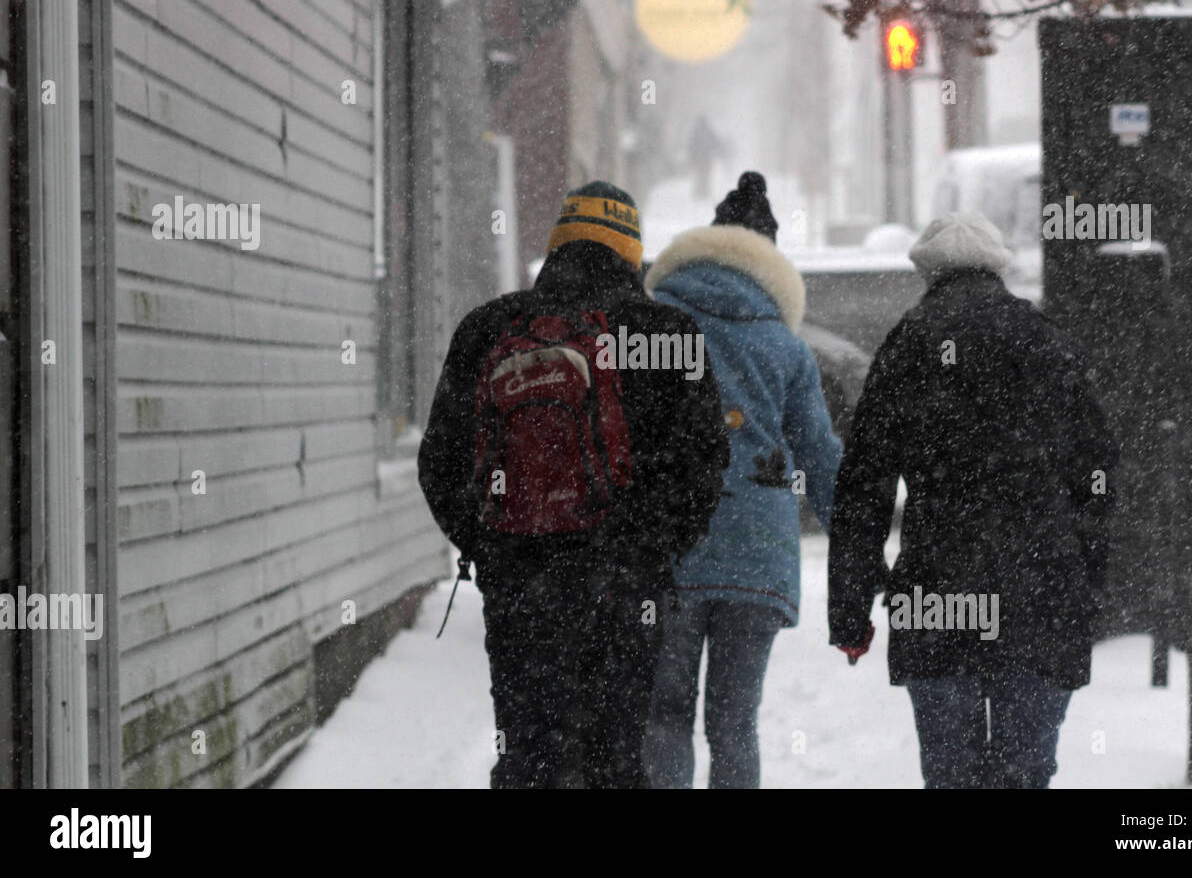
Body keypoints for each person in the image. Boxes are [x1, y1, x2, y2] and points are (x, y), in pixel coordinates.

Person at [418, 181, 729, 788]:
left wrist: (494, 547)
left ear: (557, 245)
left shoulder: (488, 328)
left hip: (520, 591)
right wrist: (651, 551)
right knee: (616, 756)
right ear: (630, 253)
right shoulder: (664, 334)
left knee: (529, 750)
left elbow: (440, 464)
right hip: (625, 590)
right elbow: (703, 467)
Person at [828, 211, 1115, 789]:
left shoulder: (907, 344)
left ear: (927, 272)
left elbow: (864, 485)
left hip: (937, 592)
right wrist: (1088, 578)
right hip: (1041, 594)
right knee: (1023, 772)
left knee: (951, 772)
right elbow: (1097, 470)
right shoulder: (1045, 339)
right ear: (997, 268)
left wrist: (850, 610)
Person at [641, 172, 842, 788]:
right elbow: (820, 454)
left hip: (671, 546)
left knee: (664, 714)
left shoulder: (654, 326)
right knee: (733, 724)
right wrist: (855, 543)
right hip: (759, 554)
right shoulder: (786, 346)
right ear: (769, 261)